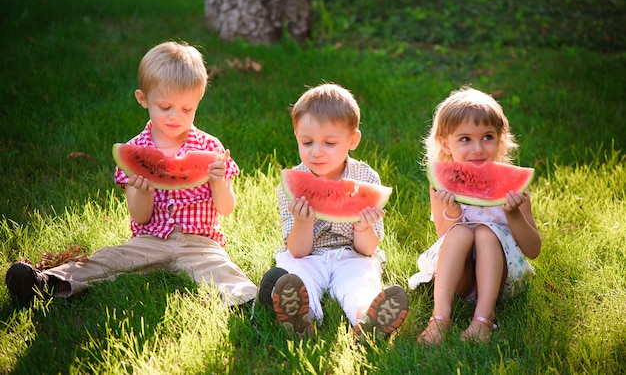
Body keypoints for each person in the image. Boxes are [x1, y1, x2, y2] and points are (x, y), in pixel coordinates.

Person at [5, 41, 257, 308]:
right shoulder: (135, 150)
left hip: (201, 244)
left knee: (223, 270)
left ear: (198, 102)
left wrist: (218, 181)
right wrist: (142, 191)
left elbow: (226, 208)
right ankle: (44, 282)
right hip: (149, 241)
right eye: (165, 107)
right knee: (109, 259)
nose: (176, 117)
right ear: (142, 99)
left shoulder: (209, 147)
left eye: (187, 109)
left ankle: (253, 300)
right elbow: (140, 216)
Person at [256, 83, 409, 340]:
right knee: (296, 274)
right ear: (296, 136)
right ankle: (302, 317)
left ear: (353, 140)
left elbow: (367, 249)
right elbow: (297, 250)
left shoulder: (366, 178)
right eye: (307, 142)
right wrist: (302, 223)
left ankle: (366, 318)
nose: (316, 151)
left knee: (360, 280)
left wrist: (362, 227)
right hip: (308, 255)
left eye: (329, 142)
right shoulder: (291, 185)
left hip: (352, 256)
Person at [408, 86, 541, 345]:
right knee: (459, 232)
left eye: (488, 137)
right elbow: (444, 237)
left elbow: (533, 249)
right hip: (460, 279)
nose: (478, 148)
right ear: (446, 143)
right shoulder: (442, 186)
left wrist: (513, 214)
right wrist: (453, 210)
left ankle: (483, 317)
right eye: (465, 139)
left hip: (500, 281)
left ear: (501, 139)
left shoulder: (513, 187)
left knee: (485, 232)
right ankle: (440, 317)